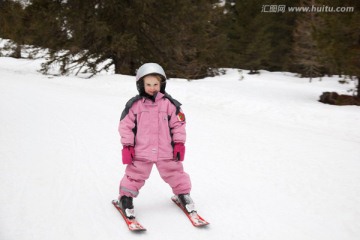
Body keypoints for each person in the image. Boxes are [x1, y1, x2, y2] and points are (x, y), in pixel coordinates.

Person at [117, 63, 195, 219]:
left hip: (166, 150)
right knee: (134, 175)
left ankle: (183, 194)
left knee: (175, 173)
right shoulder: (135, 105)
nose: (152, 87)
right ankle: (126, 197)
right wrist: (128, 146)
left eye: (155, 84)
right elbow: (125, 126)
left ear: (162, 84)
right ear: (141, 85)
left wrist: (179, 144)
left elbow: (179, 125)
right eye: (148, 84)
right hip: (141, 151)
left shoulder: (170, 104)